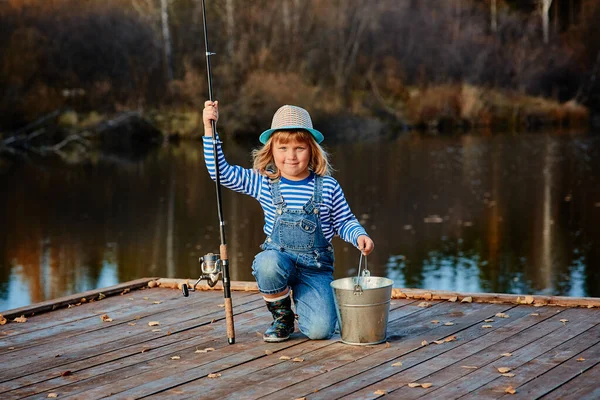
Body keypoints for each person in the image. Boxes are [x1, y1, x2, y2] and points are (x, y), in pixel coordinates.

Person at [202, 100, 374, 342]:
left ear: (312, 150)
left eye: (299, 148)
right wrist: (210, 130)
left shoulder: (328, 186)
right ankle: (282, 316)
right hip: (279, 261)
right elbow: (220, 172)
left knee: (319, 331)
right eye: (283, 149)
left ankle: (312, 304)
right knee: (267, 263)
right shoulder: (262, 181)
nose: (291, 156)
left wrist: (359, 235)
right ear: (271, 150)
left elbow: (344, 220)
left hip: (315, 269)